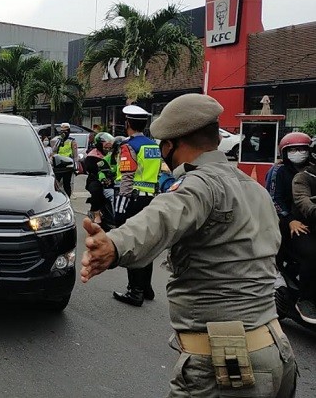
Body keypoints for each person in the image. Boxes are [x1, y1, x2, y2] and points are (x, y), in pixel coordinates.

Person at [81, 93, 297, 397]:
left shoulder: (200, 184)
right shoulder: (255, 190)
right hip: (276, 351)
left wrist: (114, 244)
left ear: (172, 145)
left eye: (163, 145)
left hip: (227, 367)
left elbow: (162, 217)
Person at [112, 105, 162, 307]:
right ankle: (146, 288)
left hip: (132, 199)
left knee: (131, 244)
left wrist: (119, 211)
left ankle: (135, 291)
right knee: (146, 243)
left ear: (128, 124)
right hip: (150, 198)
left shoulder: (128, 146)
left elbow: (127, 177)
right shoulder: (153, 145)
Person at [266, 132, 311, 254]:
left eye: (302, 149)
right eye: (293, 150)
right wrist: (290, 220)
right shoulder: (278, 170)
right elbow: (274, 199)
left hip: (309, 215)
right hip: (285, 218)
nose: (298, 153)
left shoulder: (311, 169)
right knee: (309, 254)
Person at [290, 137, 316, 323]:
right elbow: (303, 202)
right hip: (304, 227)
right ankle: (305, 299)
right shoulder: (303, 178)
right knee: (313, 254)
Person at [83, 132, 114, 226]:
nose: (107, 149)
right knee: (97, 189)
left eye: (109, 147)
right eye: (105, 146)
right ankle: (96, 213)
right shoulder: (92, 155)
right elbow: (91, 169)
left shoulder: (112, 155)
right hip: (95, 179)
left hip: (112, 179)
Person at [50, 123, 79, 197]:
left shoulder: (72, 141)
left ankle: (68, 198)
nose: (63, 133)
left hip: (68, 165)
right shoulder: (58, 140)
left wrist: (76, 166)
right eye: (61, 131)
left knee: (67, 184)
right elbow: (53, 151)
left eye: (65, 131)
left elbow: (75, 154)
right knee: (55, 183)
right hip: (58, 165)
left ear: (68, 131)